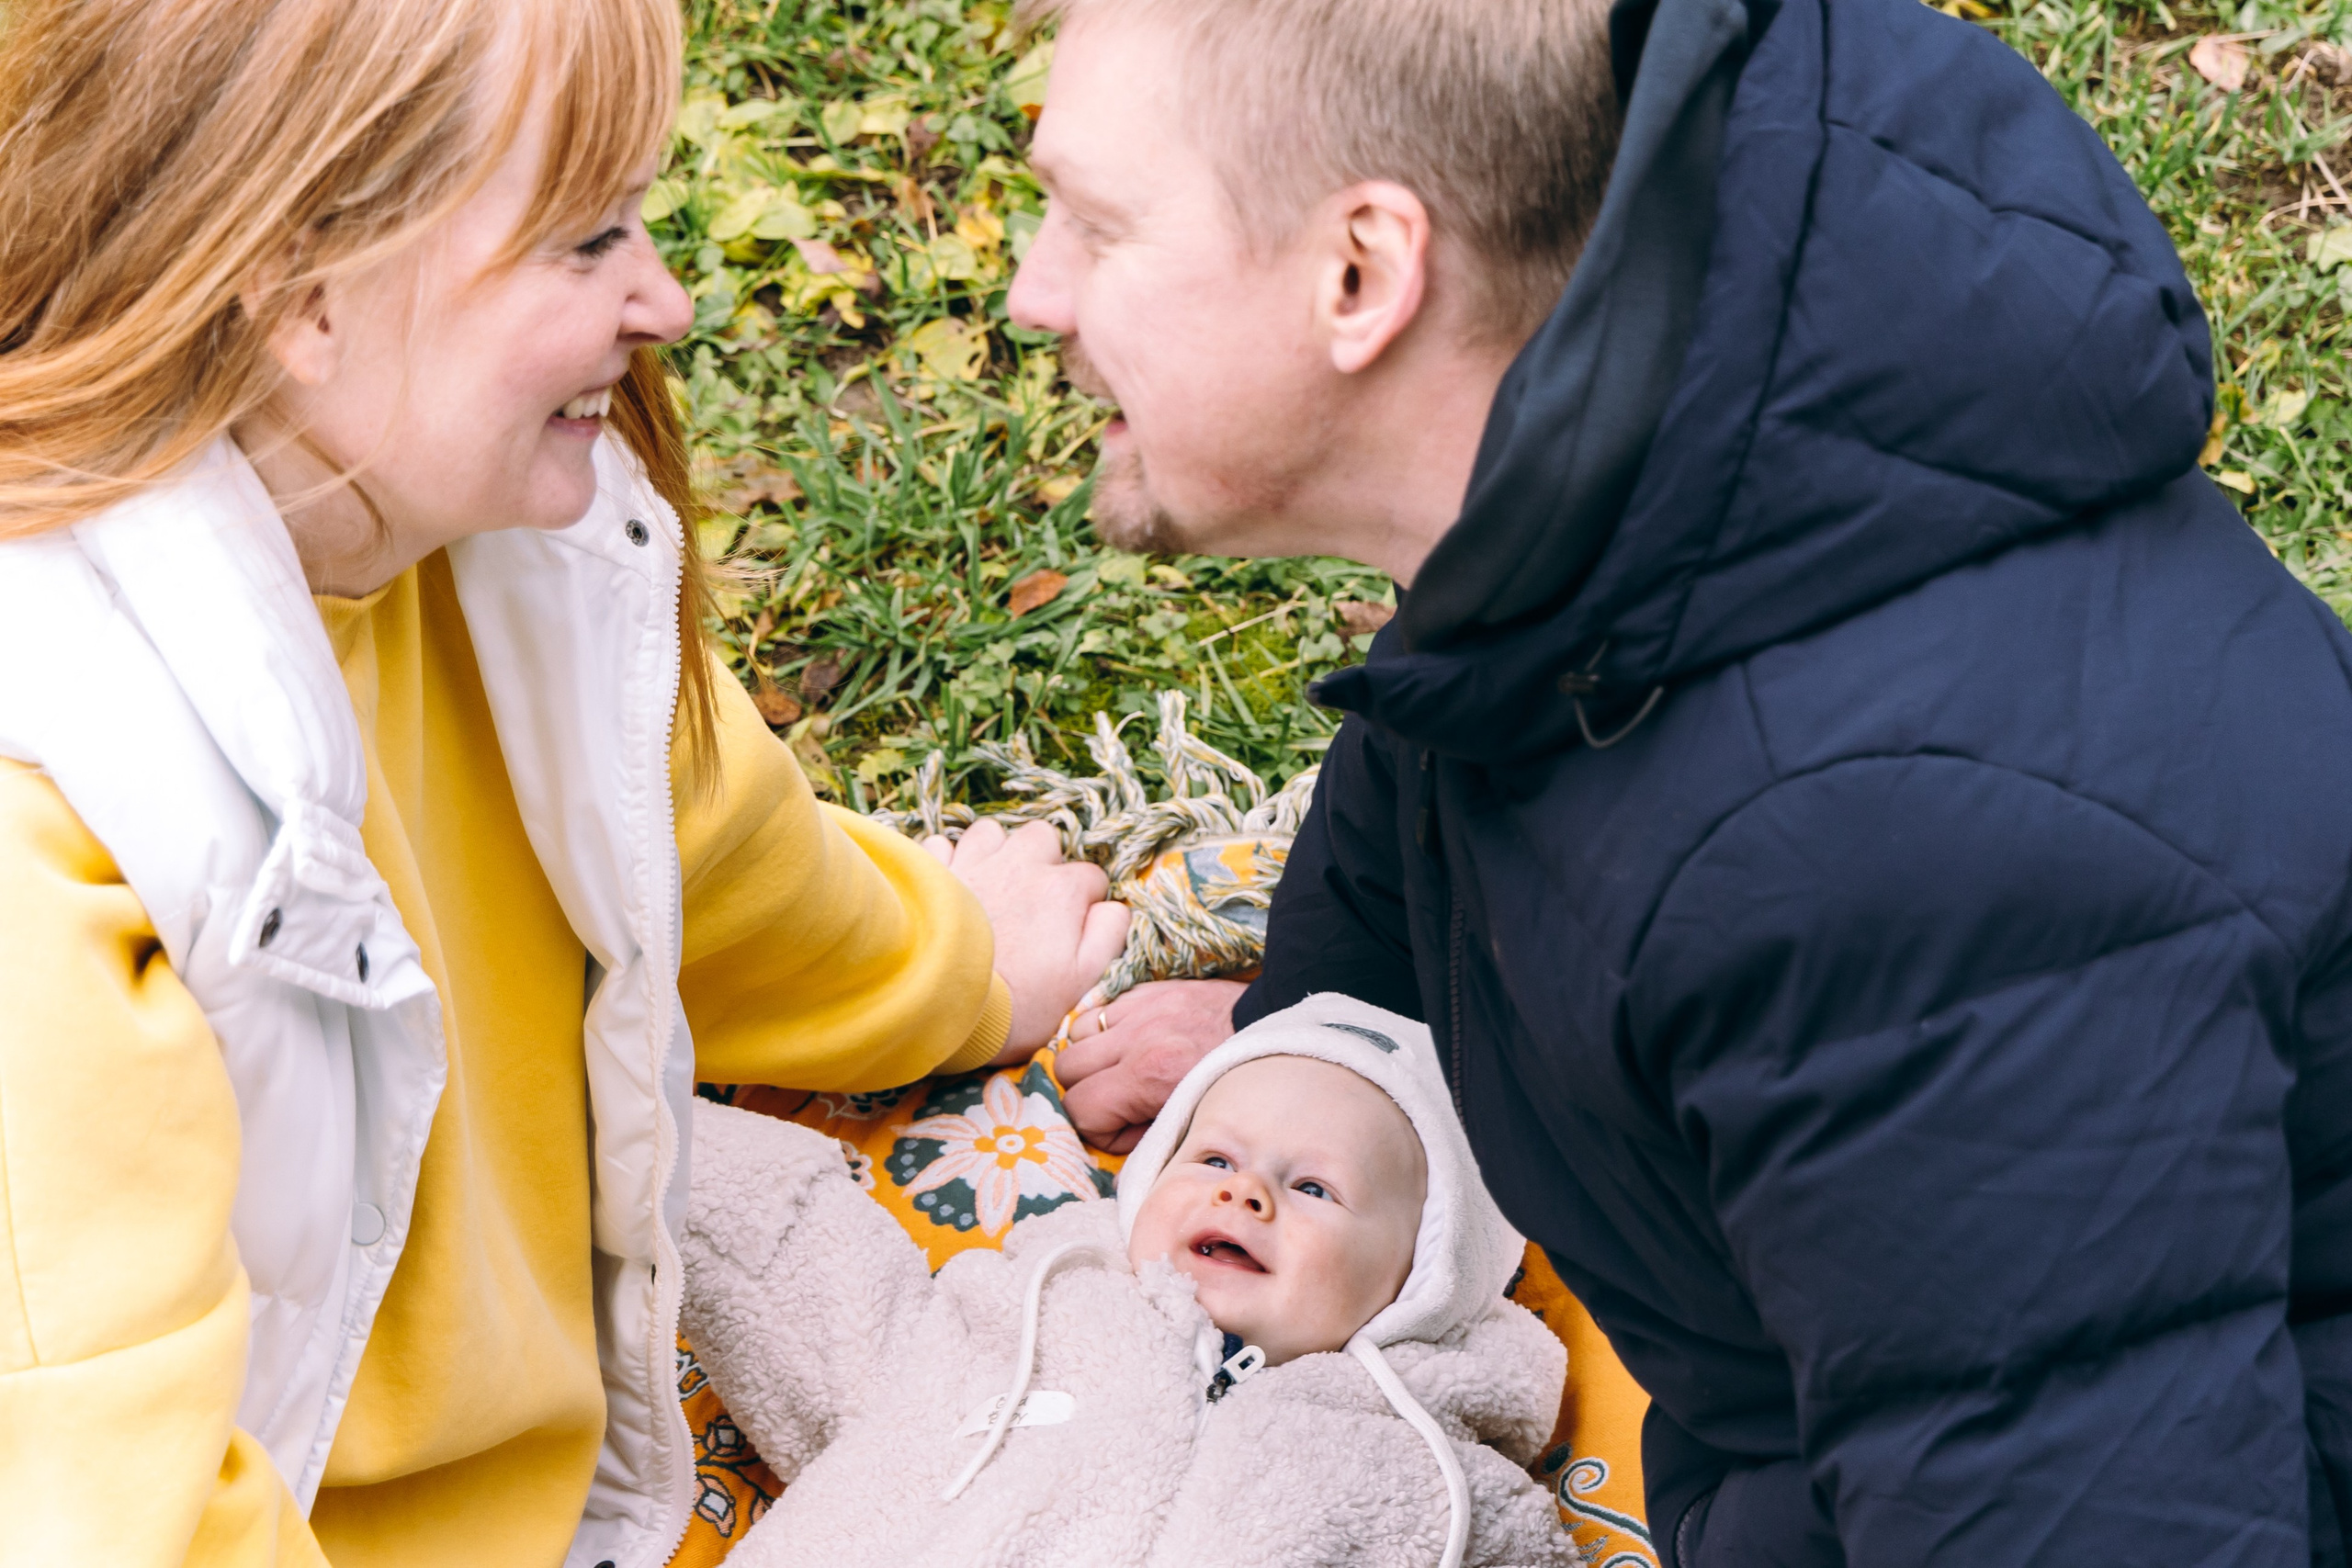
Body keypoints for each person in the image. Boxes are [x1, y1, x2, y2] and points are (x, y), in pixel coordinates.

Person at [1014, 0, 2352, 1562]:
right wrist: (1313, 1045)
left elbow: (2078, 1500)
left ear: (1363, 275)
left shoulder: (1908, 881)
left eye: (1100, 226)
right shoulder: (1614, 476)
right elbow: (1443, 752)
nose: (1039, 290)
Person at [0, 1, 1125, 1563]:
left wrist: (959, 966)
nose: (663, 299)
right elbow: (105, 1503)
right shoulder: (44, 819)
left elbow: (701, 852)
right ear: (301, 288)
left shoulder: (487, 528)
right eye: (588, 237)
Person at [679, 995, 1577, 1568]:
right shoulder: (1009, 1324)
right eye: (1214, 1156)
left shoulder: (1430, 1485)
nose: (1243, 1190)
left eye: (1312, 1187)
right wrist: (640, 1130)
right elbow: (793, 1263)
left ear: (1419, 1277)